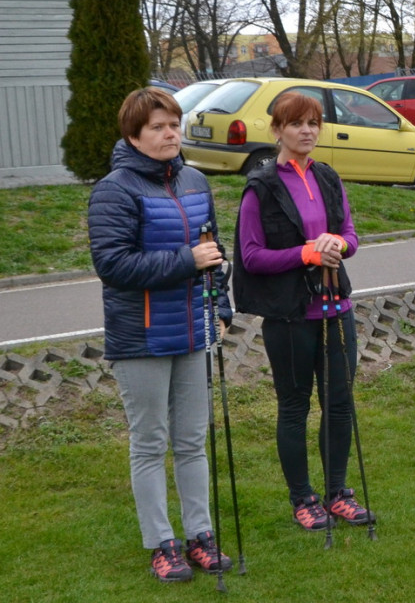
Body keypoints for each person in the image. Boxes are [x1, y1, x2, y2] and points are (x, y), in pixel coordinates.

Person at [88, 86, 232, 582]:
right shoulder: (115, 189)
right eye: (158, 127)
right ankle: (161, 543)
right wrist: (184, 261)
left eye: (174, 123)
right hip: (140, 337)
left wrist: (222, 302)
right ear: (134, 134)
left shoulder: (193, 179)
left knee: (192, 440)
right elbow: (113, 265)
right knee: (150, 443)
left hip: (193, 329)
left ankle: (200, 534)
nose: (171, 133)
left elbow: (212, 247)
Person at [233, 92, 373, 530]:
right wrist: (307, 253)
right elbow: (251, 256)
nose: (307, 130)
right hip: (290, 316)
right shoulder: (261, 186)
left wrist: (339, 245)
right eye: (296, 123)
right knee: (294, 407)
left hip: (337, 308)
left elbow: (350, 234)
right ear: (277, 130)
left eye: (314, 122)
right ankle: (302, 499)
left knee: (339, 403)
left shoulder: (328, 177)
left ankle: (336, 493)